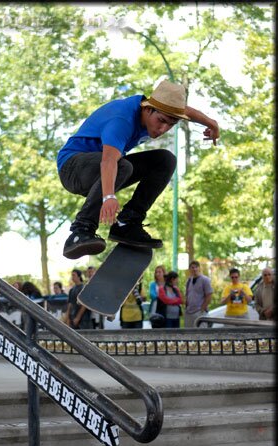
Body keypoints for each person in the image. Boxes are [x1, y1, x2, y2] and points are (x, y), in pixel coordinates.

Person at [57, 79, 219, 259]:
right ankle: (81, 231)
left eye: (170, 125)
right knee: (122, 165)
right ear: (147, 109)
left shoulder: (159, 107)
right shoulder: (122, 120)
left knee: (165, 160)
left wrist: (212, 123)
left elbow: (187, 111)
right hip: (72, 168)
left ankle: (127, 224)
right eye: (161, 121)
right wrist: (109, 196)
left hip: (103, 169)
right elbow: (108, 161)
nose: (163, 129)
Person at [184, 260, 213, 327]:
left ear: (199, 268)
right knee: (189, 335)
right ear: (189, 269)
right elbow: (187, 295)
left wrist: (202, 308)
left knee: (201, 334)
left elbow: (209, 295)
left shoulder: (205, 280)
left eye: (196, 267)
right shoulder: (189, 281)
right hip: (189, 312)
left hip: (200, 312)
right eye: (192, 267)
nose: (194, 269)